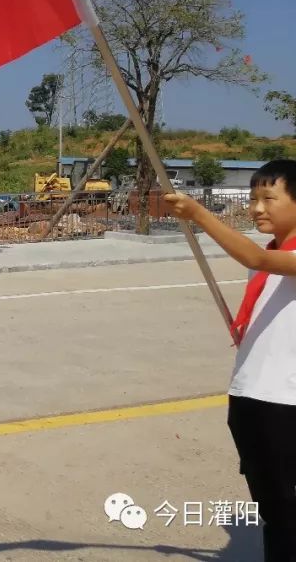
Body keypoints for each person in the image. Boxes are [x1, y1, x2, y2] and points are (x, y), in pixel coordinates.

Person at [165, 159, 296, 562]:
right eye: (253, 198)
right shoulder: (276, 254)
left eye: (268, 198)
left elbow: (255, 259)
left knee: (288, 515)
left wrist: (199, 214)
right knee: (275, 512)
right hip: (250, 398)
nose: (257, 208)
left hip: (286, 404)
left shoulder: (277, 258)